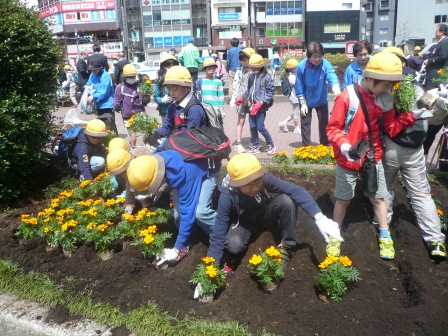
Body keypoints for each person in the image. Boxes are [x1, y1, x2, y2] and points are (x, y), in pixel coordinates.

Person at [326, 52, 417, 260]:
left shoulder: (383, 99)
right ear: (369, 78)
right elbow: (333, 129)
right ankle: (334, 235)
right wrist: (345, 145)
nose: (387, 89)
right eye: (385, 84)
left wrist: (414, 116)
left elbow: (390, 128)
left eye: (389, 86)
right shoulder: (347, 96)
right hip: (347, 159)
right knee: (342, 200)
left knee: (378, 197)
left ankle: (385, 235)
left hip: (372, 155)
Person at [206, 153, 343, 274]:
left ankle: (287, 244)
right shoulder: (227, 194)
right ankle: (231, 257)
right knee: (234, 245)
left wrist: (320, 218)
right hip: (243, 223)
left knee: (287, 200)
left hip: (264, 213)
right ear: (237, 184)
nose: (255, 188)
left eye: (257, 182)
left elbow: (297, 191)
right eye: (249, 186)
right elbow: (219, 231)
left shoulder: (263, 178)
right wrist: (210, 269)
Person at [380, 67, 447, 260]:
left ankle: (382, 227)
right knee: (420, 195)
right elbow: (435, 117)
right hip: (415, 150)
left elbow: (385, 123)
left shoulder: (388, 90)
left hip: (392, 147)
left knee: (386, 188)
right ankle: (435, 240)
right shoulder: (420, 92)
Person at [126, 152, 215, 267]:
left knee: (200, 212)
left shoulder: (183, 176)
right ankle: (191, 238)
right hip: (187, 169)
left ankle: (220, 236)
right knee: (177, 216)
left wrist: (176, 249)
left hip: (208, 170)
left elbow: (188, 213)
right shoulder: (150, 162)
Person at [295, 41, 341, 146]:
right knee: (305, 124)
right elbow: (299, 84)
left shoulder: (325, 64)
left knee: (324, 124)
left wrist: (337, 90)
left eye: (319, 56)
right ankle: (306, 147)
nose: (317, 59)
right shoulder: (301, 66)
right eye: (314, 56)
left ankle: (325, 146)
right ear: (309, 56)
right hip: (306, 101)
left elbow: (331, 76)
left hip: (321, 100)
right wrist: (302, 102)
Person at [150, 65, 206, 145]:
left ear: (186, 87)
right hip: (179, 145)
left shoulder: (194, 109)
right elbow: (167, 128)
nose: (171, 93)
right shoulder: (173, 105)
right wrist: (155, 135)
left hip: (191, 151)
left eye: (175, 89)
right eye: (168, 89)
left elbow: (191, 138)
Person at [235, 54, 276, 155]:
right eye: (251, 66)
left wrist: (261, 102)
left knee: (260, 127)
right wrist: (242, 97)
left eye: (254, 67)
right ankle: (255, 145)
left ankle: (271, 145)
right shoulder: (252, 76)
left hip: (261, 107)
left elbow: (270, 92)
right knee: (253, 126)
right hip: (252, 105)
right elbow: (249, 90)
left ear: (261, 66)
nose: (252, 68)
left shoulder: (266, 77)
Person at [231, 47, 256, 153]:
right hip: (241, 100)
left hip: (252, 100)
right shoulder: (240, 71)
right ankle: (239, 143)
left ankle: (254, 142)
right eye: (241, 60)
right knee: (241, 120)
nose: (243, 62)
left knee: (253, 121)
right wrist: (234, 97)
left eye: (245, 59)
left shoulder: (256, 71)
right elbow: (235, 85)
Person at [114, 64, 144, 147]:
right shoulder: (120, 87)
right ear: (125, 77)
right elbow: (117, 99)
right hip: (127, 115)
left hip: (139, 114)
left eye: (133, 77)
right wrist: (117, 105)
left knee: (144, 134)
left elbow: (143, 98)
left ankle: (134, 147)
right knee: (133, 136)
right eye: (129, 77)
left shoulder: (139, 85)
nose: (131, 79)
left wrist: (146, 98)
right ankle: (133, 150)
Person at [86, 58, 117, 135]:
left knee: (110, 123)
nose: (93, 71)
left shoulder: (105, 75)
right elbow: (88, 85)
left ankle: (114, 139)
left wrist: (94, 96)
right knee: (101, 124)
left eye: (95, 70)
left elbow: (105, 91)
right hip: (98, 104)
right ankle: (104, 140)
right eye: (92, 70)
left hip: (107, 104)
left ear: (100, 68)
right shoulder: (92, 75)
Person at [153, 55, 178, 122]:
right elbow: (155, 96)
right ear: (163, 68)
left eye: (173, 66)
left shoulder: (180, 79)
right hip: (165, 112)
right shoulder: (160, 82)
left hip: (178, 111)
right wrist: (162, 100)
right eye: (168, 67)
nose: (171, 69)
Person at [278, 59, 301, 134]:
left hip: (295, 96)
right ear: (292, 68)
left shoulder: (294, 75)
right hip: (294, 97)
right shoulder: (291, 77)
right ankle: (296, 128)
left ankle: (284, 122)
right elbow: (299, 85)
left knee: (297, 111)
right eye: (296, 67)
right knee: (297, 112)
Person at [424, 24, 448, 90]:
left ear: (442, 32)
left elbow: (443, 57)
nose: (435, 33)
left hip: (436, 73)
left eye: (436, 31)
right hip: (433, 73)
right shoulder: (441, 42)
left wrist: (429, 61)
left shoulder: (445, 42)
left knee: (429, 95)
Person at [225, 38, 241, 103]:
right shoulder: (241, 50)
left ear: (231, 43)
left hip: (232, 69)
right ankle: (239, 97)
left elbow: (228, 61)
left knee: (231, 84)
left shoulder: (230, 51)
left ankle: (231, 98)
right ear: (238, 43)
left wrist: (227, 68)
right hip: (240, 70)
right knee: (239, 83)